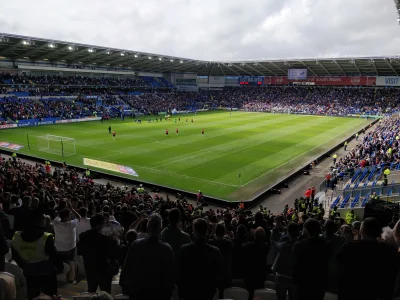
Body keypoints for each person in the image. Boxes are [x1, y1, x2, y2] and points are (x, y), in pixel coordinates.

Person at [337, 217, 399, 300]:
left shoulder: (349, 246)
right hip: (374, 294)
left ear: (362, 230)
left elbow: (339, 266)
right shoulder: (388, 250)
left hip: (351, 293)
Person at [120, 214, 174, 300]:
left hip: (138, 292)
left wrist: (126, 287)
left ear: (148, 227)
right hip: (158, 293)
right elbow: (169, 275)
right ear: (160, 229)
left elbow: (126, 268)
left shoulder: (136, 245)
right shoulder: (167, 249)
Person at [12, 210, 63, 300]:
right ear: (38, 221)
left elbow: (15, 255)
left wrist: (24, 265)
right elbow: (55, 256)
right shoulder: (46, 238)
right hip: (47, 273)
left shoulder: (16, 236)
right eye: (43, 220)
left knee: (33, 295)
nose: (45, 222)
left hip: (29, 272)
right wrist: (60, 267)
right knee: (50, 296)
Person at [179, 218, 222, 300]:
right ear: (206, 232)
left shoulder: (184, 249)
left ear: (194, 231)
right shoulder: (215, 252)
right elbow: (218, 275)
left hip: (188, 293)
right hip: (207, 293)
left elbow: (181, 273)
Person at [78, 214, 119, 294]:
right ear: (98, 225)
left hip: (90, 269)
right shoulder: (106, 239)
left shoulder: (83, 236)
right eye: (103, 224)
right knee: (105, 293)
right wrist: (114, 240)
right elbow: (113, 254)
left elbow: (80, 252)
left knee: (91, 292)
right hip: (104, 270)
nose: (103, 226)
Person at [293, 218, 332, 300]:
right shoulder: (327, 245)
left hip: (303, 284)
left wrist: (302, 237)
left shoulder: (300, 245)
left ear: (306, 230)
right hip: (320, 283)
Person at [161, 208, 191, 284]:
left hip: (164, 271)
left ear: (168, 218)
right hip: (179, 272)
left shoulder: (162, 234)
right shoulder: (186, 236)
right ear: (179, 219)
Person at [273, 223, 300, 300]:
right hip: (295, 278)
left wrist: (275, 230)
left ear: (288, 232)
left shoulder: (283, 245)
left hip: (281, 277)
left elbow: (274, 242)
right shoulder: (301, 245)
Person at [242, 227, 270, 299]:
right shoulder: (266, 246)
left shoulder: (248, 246)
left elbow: (243, 245)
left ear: (254, 236)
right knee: (259, 295)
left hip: (249, 274)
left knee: (249, 295)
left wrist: (250, 236)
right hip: (260, 274)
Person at [208, 223, 233, 298]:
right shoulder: (229, 243)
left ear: (215, 232)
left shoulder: (210, 242)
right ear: (224, 232)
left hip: (213, 276)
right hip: (225, 276)